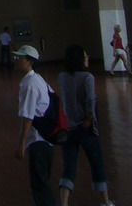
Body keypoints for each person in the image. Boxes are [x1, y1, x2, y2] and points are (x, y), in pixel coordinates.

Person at [59, 45, 115, 206]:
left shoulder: (62, 77)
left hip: (68, 127)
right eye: (85, 56)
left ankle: (64, 202)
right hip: (85, 127)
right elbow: (91, 99)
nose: (87, 58)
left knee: (69, 164)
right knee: (96, 162)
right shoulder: (87, 77)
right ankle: (105, 201)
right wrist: (89, 118)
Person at [12, 44, 58, 206]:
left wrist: (22, 143)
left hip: (39, 140)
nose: (16, 60)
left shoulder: (30, 84)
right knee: (42, 181)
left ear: (30, 61)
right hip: (48, 139)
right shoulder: (38, 79)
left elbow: (28, 116)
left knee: (40, 184)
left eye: (20, 58)